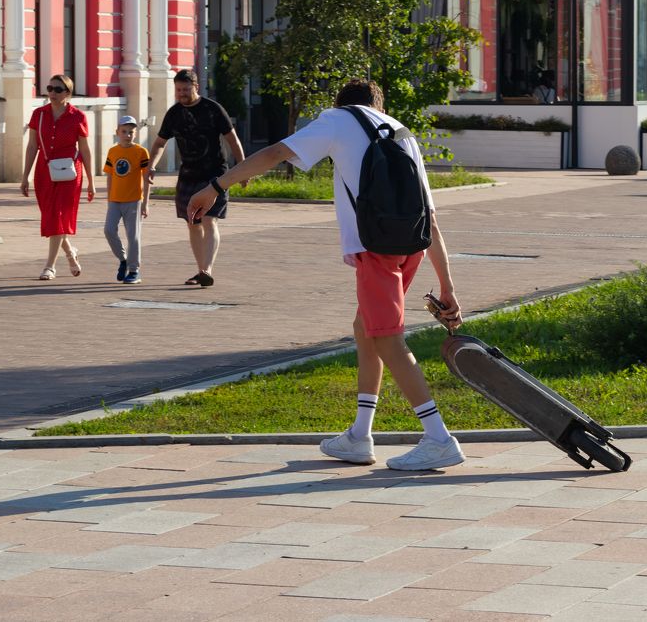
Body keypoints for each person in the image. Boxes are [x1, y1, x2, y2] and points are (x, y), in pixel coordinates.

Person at [186, 79, 466, 471]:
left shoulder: (337, 119)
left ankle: (438, 438)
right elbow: (431, 218)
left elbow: (277, 152)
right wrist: (447, 286)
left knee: (387, 338)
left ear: (342, 103)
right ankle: (359, 435)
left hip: (375, 249)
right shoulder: (400, 130)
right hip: (410, 247)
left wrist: (216, 186)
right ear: (379, 104)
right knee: (365, 329)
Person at [147, 69, 245, 288]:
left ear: (196, 87)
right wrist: (151, 165)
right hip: (188, 176)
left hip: (215, 175)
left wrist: (242, 169)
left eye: (186, 89)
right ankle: (201, 271)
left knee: (209, 220)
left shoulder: (213, 109)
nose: (182, 93)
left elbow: (233, 140)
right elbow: (160, 143)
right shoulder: (174, 114)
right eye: (178, 90)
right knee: (193, 224)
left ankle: (206, 270)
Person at [21, 74, 95, 280]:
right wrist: (25, 176)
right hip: (44, 171)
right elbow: (32, 146)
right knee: (51, 217)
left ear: (68, 93)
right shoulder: (39, 114)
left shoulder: (77, 116)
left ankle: (50, 266)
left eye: (58, 89)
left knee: (59, 216)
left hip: (70, 173)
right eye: (50, 88)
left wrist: (91, 181)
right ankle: (70, 252)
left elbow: (85, 150)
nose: (52, 93)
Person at [103, 115, 150, 284]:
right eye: (124, 131)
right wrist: (109, 198)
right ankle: (123, 260)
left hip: (134, 200)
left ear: (135, 134)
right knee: (109, 230)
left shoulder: (141, 152)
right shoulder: (113, 151)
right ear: (117, 132)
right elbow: (110, 176)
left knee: (133, 236)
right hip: (115, 200)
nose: (127, 135)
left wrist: (145, 203)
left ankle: (134, 270)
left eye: (131, 132)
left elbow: (147, 178)